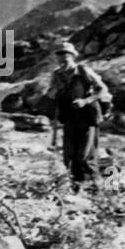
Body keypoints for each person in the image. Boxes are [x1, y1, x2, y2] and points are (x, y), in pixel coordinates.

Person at [46, 41, 111, 190]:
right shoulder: (57, 75)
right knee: (69, 155)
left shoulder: (83, 70)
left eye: (66, 58)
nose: (62, 61)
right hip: (69, 118)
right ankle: (77, 186)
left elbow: (102, 90)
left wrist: (85, 100)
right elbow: (52, 93)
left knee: (86, 155)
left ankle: (102, 184)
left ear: (73, 57)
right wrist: (51, 95)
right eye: (60, 58)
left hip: (87, 117)